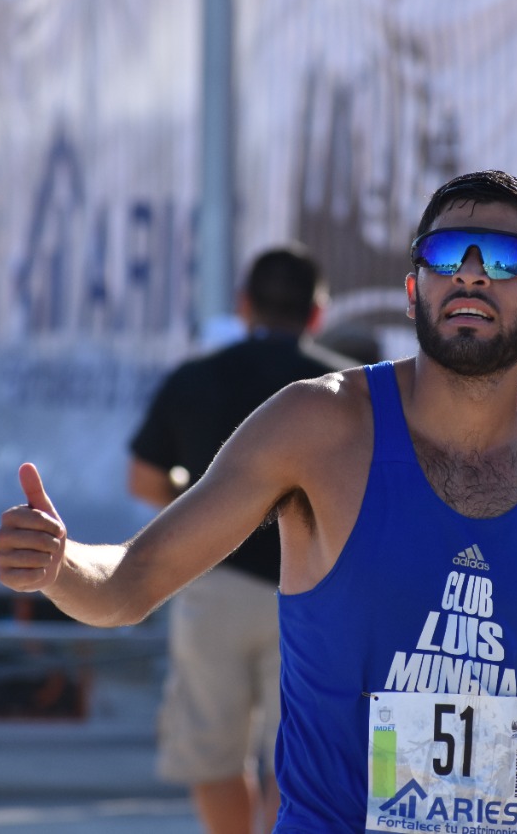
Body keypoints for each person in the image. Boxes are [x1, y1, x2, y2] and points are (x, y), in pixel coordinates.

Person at [0, 169, 517, 833]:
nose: (472, 276)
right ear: (414, 287)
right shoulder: (316, 426)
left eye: (507, 260)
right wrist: (61, 564)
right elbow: (131, 580)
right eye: (447, 256)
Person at [127, 244, 351, 834]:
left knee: (213, 753)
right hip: (318, 590)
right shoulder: (348, 389)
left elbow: (144, 477)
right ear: (317, 313)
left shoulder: (195, 378)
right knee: (296, 759)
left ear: (243, 304)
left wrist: (213, 503)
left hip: (213, 580)